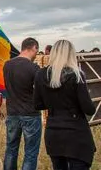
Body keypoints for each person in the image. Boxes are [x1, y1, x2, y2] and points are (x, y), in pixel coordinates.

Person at [34, 40, 96, 169]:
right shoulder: (76, 75)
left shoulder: (40, 75)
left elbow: (38, 104)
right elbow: (89, 109)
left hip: (53, 133)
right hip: (75, 135)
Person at [3, 37, 41, 170]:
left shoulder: (7, 65)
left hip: (12, 113)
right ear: (34, 48)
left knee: (11, 149)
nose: (37, 55)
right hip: (30, 114)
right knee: (30, 153)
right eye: (37, 51)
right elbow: (39, 90)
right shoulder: (33, 68)